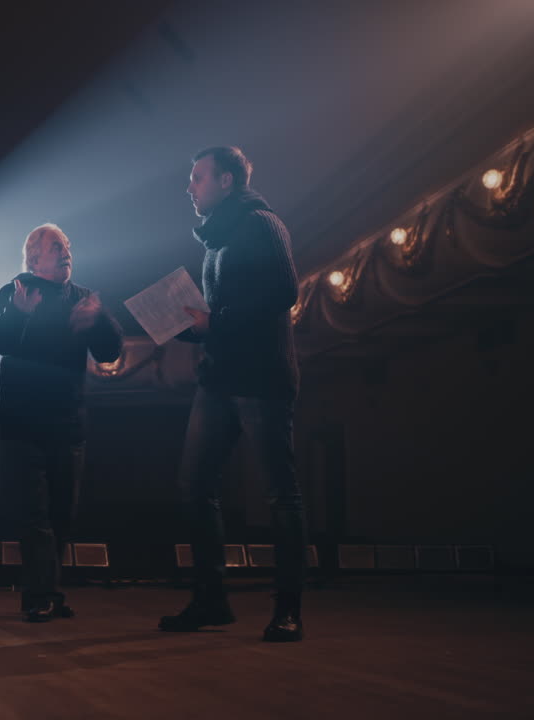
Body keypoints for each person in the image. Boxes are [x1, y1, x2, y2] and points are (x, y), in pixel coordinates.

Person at [158, 146, 306, 642]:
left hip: (262, 378)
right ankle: (211, 602)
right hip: (219, 379)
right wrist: (189, 326)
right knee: (193, 487)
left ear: (226, 180)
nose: (190, 187)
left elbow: (284, 292)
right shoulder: (214, 241)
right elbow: (222, 316)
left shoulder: (263, 223)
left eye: (197, 177)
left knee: (280, 497)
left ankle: (288, 610)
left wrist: (213, 321)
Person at [0, 223, 122, 622]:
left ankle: (45, 590)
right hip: (24, 422)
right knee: (35, 513)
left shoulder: (84, 298)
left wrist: (99, 320)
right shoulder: (15, 291)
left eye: (68, 247)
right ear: (34, 259)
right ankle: (40, 594)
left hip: (68, 423)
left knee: (63, 512)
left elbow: (110, 352)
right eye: (57, 247)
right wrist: (20, 315)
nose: (67, 253)